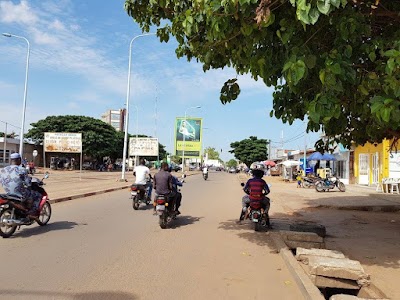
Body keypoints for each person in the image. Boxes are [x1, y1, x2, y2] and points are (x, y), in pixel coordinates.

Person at [0, 153, 42, 218]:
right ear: (19, 160)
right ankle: (32, 213)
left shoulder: (3, 170)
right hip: (19, 194)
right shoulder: (22, 170)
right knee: (38, 195)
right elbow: (28, 183)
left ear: (11, 160)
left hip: (8, 193)